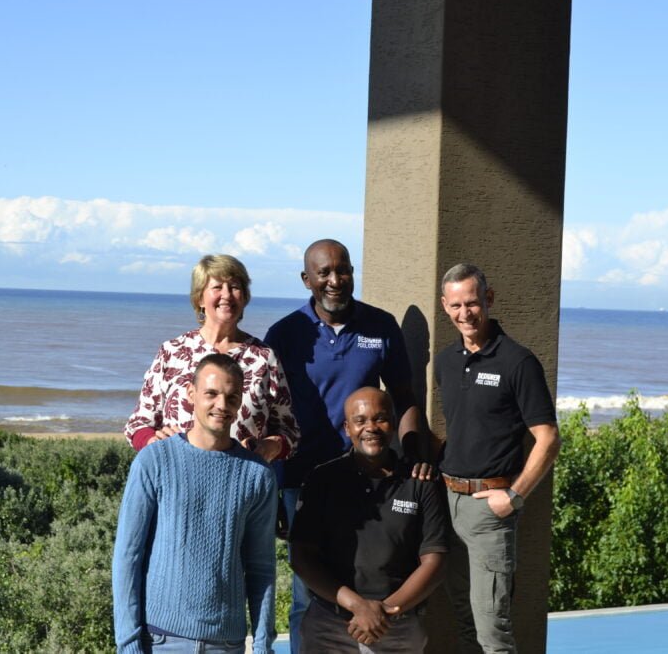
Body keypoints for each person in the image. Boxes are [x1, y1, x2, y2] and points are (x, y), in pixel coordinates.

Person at [264, 238, 434, 653]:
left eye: (343, 270)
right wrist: (271, 488)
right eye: (324, 273)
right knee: (309, 590)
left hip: (368, 478)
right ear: (307, 280)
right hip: (302, 480)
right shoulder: (285, 334)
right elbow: (269, 413)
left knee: (373, 573)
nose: (335, 280)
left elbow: (404, 396)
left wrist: (415, 454)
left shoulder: (380, 326)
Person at [112, 353, 277, 654]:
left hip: (228, 644)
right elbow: (127, 558)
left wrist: (264, 642)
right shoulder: (154, 461)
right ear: (191, 394)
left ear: (240, 402)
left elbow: (261, 567)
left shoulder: (257, 475)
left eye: (231, 397)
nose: (221, 405)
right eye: (211, 394)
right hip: (161, 641)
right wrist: (129, 644)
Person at [435, 263, 561, 654]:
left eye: (472, 303)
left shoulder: (517, 362)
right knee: (463, 619)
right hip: (446, 503)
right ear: (444, 306)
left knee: (494, 631)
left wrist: (515, 496)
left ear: (488, 300)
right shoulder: (445, 361)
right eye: (455, 305)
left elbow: (549, 438)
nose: (464, 313)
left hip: (489, 511)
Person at [290, 387, 448, 653]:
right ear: (347, 428)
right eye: (360, 420)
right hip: (329, 625)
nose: (370, 427)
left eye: (380, 418)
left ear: (394, 424)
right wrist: (357, 606)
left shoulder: (421, 482)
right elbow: (302, 557)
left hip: (396, 626)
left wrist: (384, 610)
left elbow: (436, 561)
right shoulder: (322, 480)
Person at [124, 254, 298, 462]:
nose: (227, 295)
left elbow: (290, 433)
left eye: (234, 287)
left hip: (242, 480)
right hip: (179, 475)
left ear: (244, 297)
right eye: (217, 287)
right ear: (199, 298)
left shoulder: (263, 357)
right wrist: (153, 442)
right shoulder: (172, 352)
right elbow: (137, 425)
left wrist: (271, 446)